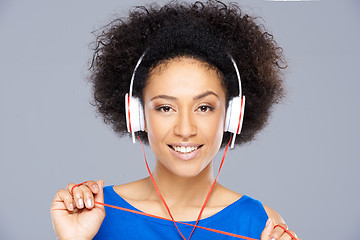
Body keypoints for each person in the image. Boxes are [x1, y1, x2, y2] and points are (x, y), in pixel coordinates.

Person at [51, 1, 300, 239]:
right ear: (136, 115)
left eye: (204, 107)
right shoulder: (95, 214)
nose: (185, 129)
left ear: (233, 115)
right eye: (166, 107)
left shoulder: (261, 224)